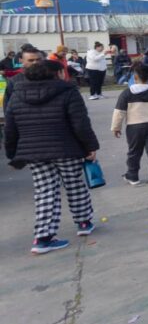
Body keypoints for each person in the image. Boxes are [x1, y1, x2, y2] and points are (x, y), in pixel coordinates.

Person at [4, 60, 101, 254]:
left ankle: (43, 237)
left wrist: (13, 155)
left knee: (44, 191)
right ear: (55, 74)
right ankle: (83, 223)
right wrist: (90, 146)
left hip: (34, 153)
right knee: (74, 185)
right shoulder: (68, 92)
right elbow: (80, 123)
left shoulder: (16, 95)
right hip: (66, 148)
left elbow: (10, 128)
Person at [111, 62, 148, 187]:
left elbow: (119, 112)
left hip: (134, 126)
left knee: (134, 151)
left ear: (135, 77)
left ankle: (133, 176)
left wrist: (116, 127)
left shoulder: (127, 93)